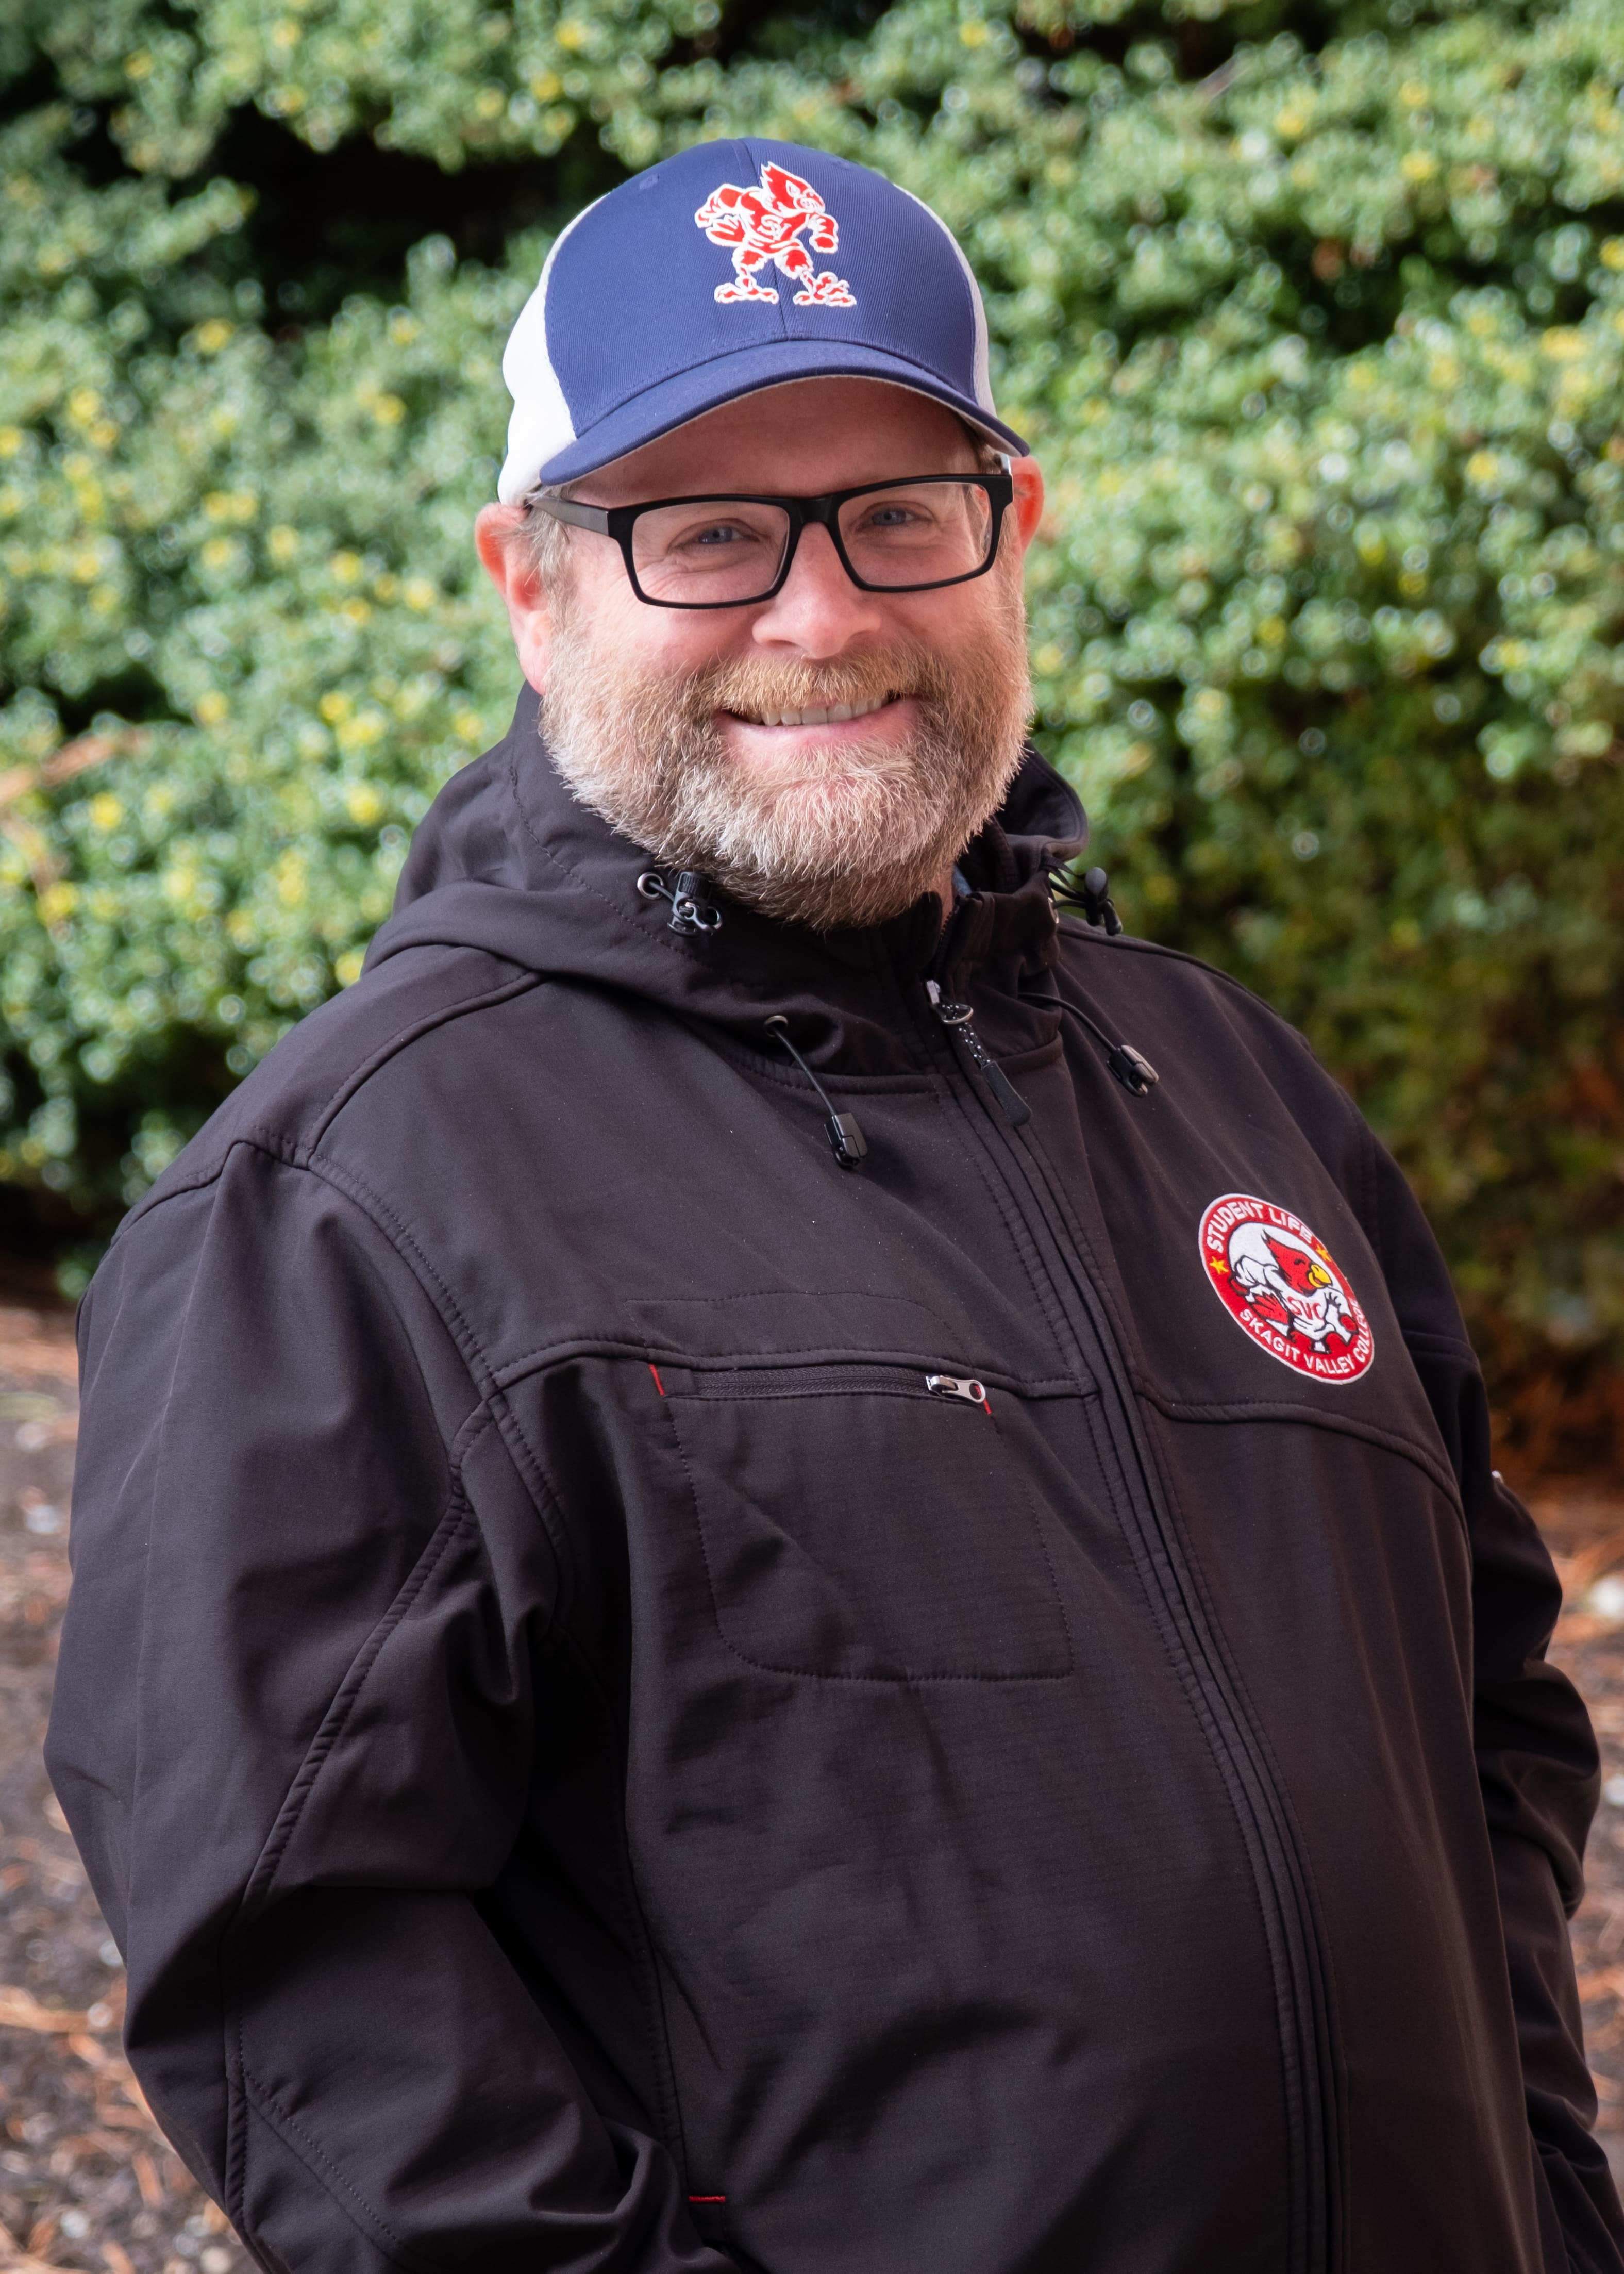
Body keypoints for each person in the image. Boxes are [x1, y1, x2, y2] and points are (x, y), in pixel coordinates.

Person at [46, 138, 1622, 2274]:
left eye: (897, 512)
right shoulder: (351, 1195)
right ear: (530, 582)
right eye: (707, 531)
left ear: (1012, 529)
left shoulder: (1233, 1089)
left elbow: (1485, 1722)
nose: (822, 612)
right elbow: (305, 1990)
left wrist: (1548, 2199)